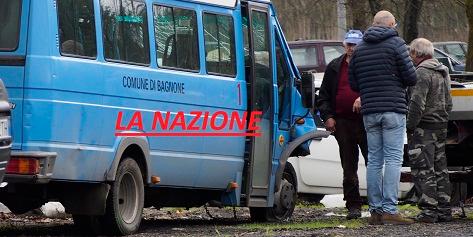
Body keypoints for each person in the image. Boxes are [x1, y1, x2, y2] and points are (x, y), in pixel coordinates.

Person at [348, 10, 417, 225]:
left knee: (374, 161)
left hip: (370, 111)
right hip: (393, 110)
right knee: (394, 159)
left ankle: (375, 211)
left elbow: (353, 84)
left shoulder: (359, 50)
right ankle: (390, 208)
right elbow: (411, 77)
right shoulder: (396, 44)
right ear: (391, 24)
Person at [317, 30, 368, 220]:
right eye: (349, 44)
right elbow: (323, 96)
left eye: (355, 44)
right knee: (349, 166)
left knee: (374, 163)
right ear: (344, 44)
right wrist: (328, 116)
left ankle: (379, 204)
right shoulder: (334, 66)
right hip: (343, 122)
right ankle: (353, 205)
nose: (351, 48)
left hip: (365, 121)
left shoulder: (367, 65)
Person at [407, 38, 453, 223]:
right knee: (440, 169)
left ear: (417, 54)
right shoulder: (443, 71)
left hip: (424, 128)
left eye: (411, 53)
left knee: (423, 169)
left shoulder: (422, 73)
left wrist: (410, 125)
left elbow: (417, 103)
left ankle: (428, 211)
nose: (410, 57)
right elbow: (449, 101)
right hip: (441, 125)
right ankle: (444, 209)